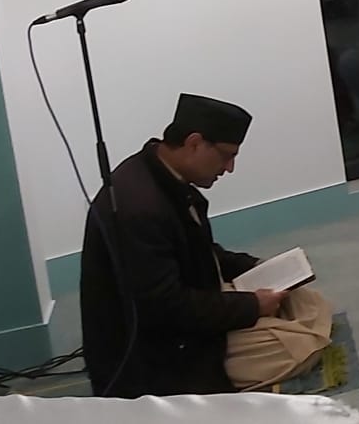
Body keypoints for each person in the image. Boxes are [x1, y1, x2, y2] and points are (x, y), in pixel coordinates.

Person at [82, 95, 334, 398]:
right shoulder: (139, 208)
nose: (229, 168)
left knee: (309, 300)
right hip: (158, 354)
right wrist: (252, 306)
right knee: (304, 345)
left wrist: (256, 267)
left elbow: (201, 251)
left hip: (194, 308)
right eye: (226, 156)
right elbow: (165, 309)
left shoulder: (161, 175)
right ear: (194, 143)